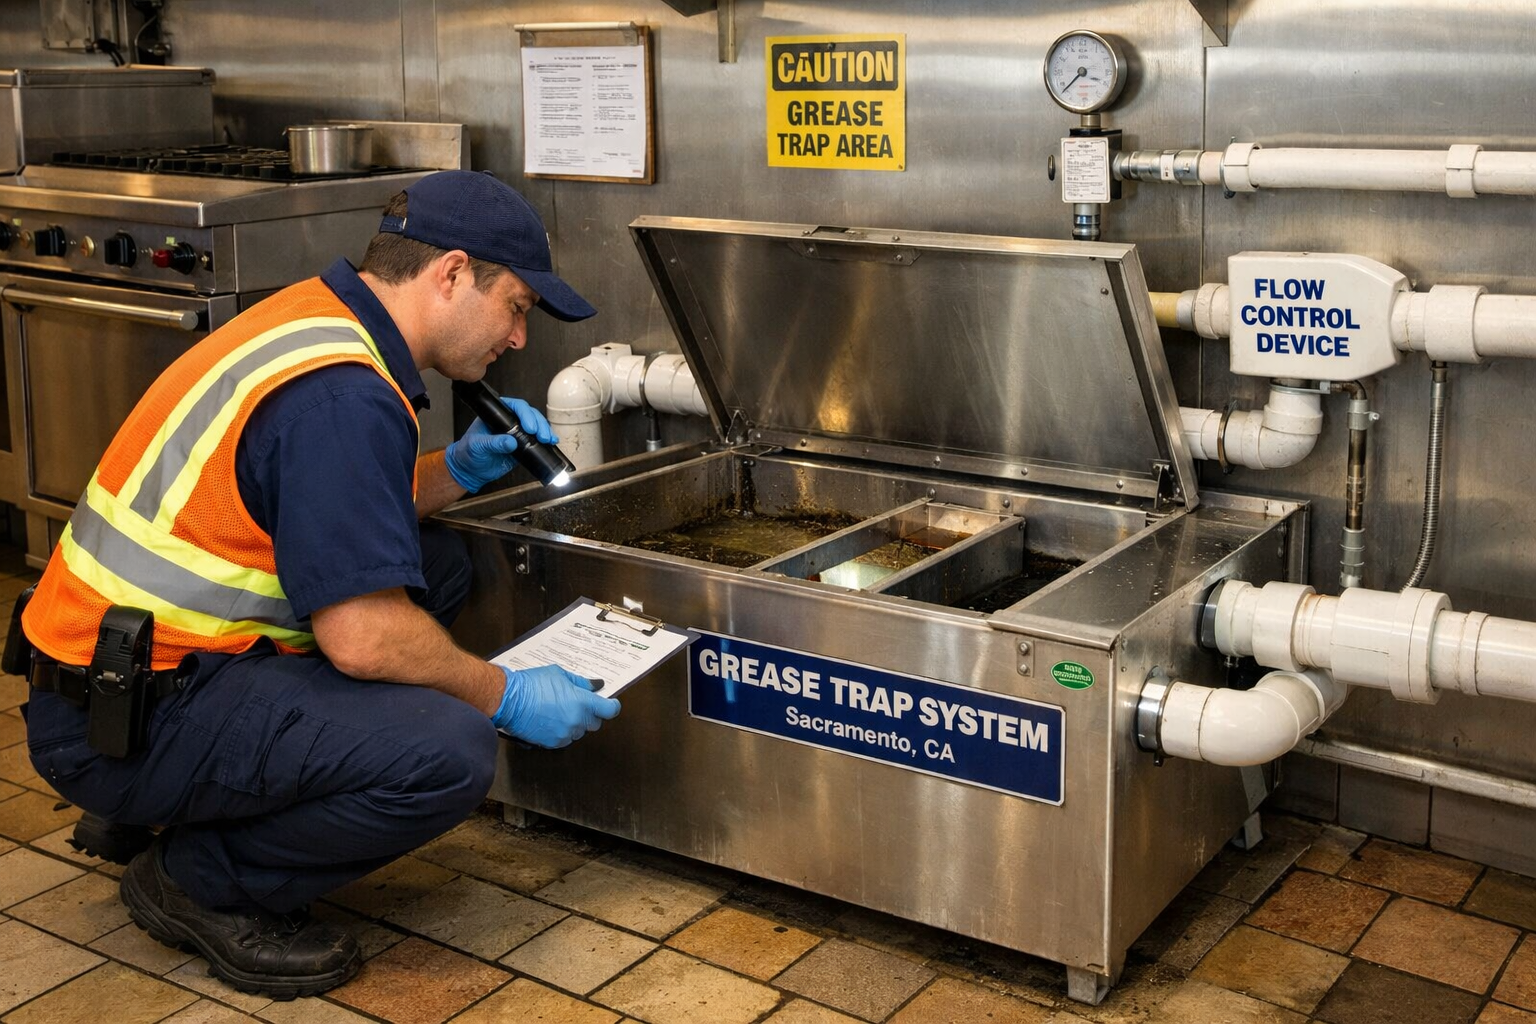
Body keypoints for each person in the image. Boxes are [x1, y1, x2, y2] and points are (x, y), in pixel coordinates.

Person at [17, 170, 620, 1000]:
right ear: (450, 273)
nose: (518, 338)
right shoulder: (343, 395)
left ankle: (178, 795)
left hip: (114, 677)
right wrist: (503, 692)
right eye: (516, 306)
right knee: (448, 751)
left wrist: (459, 470)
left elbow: (323, 508)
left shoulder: (317, 318)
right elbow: (365, 638)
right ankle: (199, 877)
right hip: (119, 720)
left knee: (438, 563)